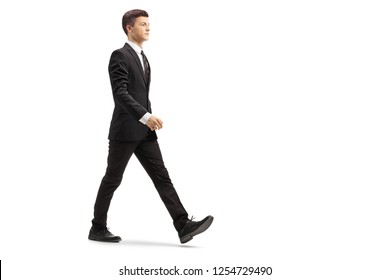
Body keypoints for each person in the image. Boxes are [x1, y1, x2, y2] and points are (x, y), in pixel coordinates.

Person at [88, 9, 213, 244]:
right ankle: (97, 227)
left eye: (148, 24)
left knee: (162, 177)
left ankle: (183, 225)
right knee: (113, 179)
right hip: (125, 132)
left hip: (144, 133)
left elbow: (140, 94)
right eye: (143, 24)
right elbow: (121, 94)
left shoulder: (143, 57)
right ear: (129, 28)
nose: (148, 28)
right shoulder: (119, 56)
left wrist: (147, 121)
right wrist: (146, 115)